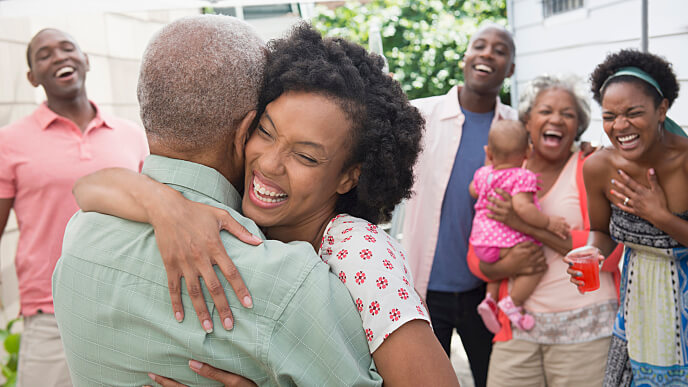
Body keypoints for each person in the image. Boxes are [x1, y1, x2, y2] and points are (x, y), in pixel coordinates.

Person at [55, 17, 459, 386]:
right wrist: (163, 204)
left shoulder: (357, 251)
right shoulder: (241, 234)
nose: (270, 163)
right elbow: (86, 187)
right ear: (246, 128)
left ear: (349, 175)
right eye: (266, 132)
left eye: (306, 156)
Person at [0, 28, 149, 386]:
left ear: (86, 60)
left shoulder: (131, 134)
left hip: (128, 304)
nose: (60, 57)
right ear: (32, 77)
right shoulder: (9, 142)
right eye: (45, 54)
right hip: (51, 312)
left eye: (68, 49)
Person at [398, 22, 541, 386]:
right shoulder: (420, 117)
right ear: (466, 56)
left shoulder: (519, 129)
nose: (488, 54)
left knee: (492, 380)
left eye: (500, 50)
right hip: (424, 290)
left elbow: (555, 168)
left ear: (510, 68)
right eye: (480, 45)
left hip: (489, 291)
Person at [467, 73, 623, 386]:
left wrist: (524, 225)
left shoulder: (591, 165)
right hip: (517, 327)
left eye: (568, 114)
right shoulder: (505, 172)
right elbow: (477, 256)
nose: (557, 119)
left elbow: (611, 253)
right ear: (527, 122)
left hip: (585, 330)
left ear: (577, 126)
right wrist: (507, 265)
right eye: (546, 111)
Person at [566, 50, 688, 387]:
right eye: (609, 116)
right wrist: (592, 251)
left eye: (633, 113)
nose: (620, 126)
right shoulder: (599, 168)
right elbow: (601, 231)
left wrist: (659, 216)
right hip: (638, 311)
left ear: (662, 109)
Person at [470, 120, 570, 333]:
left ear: (489, 152)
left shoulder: (483, 173)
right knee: (536, 265)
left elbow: (473, 191)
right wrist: (548, 223)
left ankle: (490, 299)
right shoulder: (521, 176)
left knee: (500, 266)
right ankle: (513, 303)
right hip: (506, 240)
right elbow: (523, 209)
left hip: (481, 242)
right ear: (528, 151)